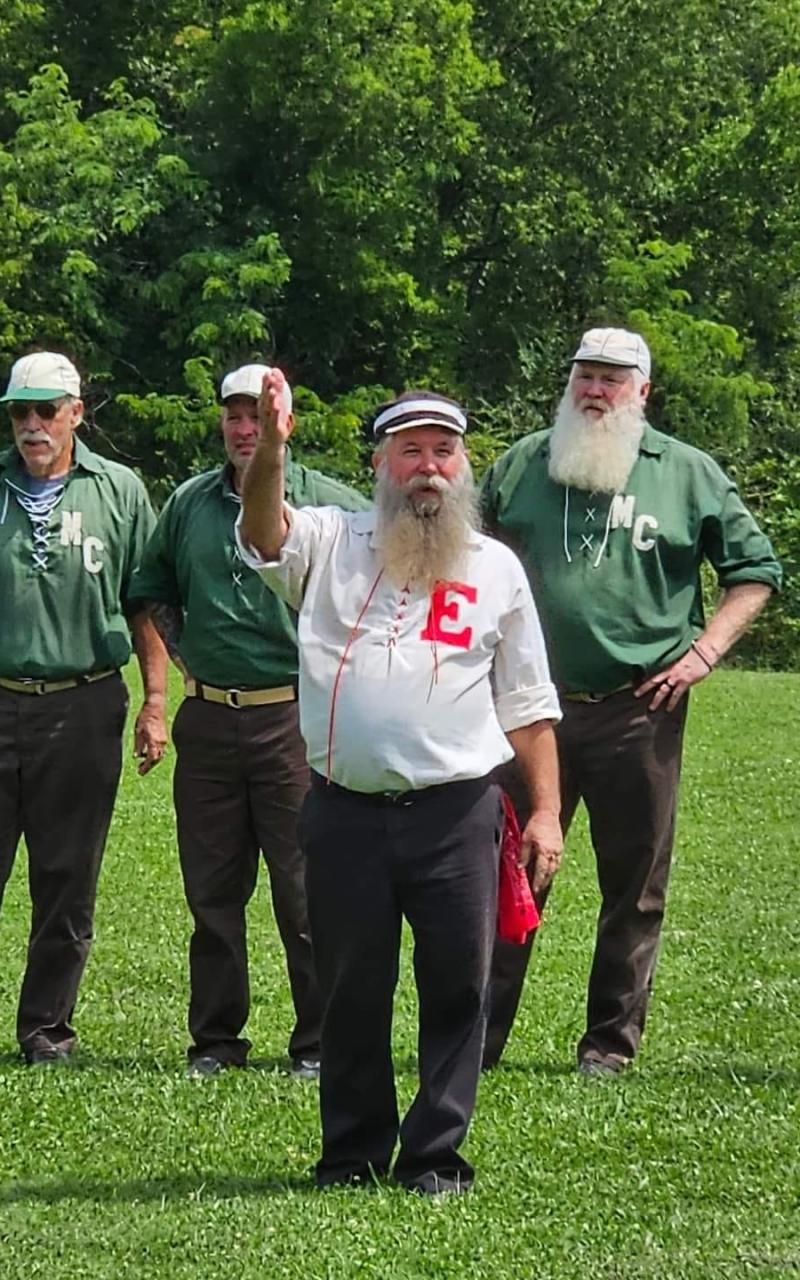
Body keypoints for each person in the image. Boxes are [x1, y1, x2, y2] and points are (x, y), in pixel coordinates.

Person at [238, 376, 563, 1195]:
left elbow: (526, 703)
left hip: (457, 811)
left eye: (443, 451)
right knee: (350, 986)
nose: (428, 467)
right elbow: (262, 530)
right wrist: (273, 447)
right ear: (380, 462)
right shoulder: (330, 542)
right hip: (344, 812)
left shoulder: (495, 568)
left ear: (464, 466)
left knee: (459, 985)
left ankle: (434, 1156)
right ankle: (351, 1156)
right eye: (411, 450)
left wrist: (548, 809)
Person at [480, 327, 782, 1077]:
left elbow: (756, 571)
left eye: (613, 379)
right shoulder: (525, 463)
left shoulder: (686, 473)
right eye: (585, 375)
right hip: (528, 706)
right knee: (506, 870)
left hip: (638, 706)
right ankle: (475, 1039)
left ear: (642, 392)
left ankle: (608, 1046)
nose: (595, 391)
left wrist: (705, 651)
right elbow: (470, 556)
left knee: (634, 885)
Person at [0, 350, 167, 1065]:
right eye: (19, 412)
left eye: (45, 411)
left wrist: (154, 701)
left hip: (83, 706)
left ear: (76, 413)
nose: (31, 425)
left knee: (66, 879)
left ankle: (46, 1032)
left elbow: (144, 603)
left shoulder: (118, 492)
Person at [128, 364, 369, 1080]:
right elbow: (151, 589)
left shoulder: (331, 506)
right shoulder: (189, 504)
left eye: (259, 418)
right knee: (212, 892)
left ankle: (319, 1044)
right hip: (209, 718)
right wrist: (188, 656)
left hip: (295, 718)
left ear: (286, 424)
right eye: (235, 416)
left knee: (306, 891)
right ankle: (215, 1041)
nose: (244, 430)